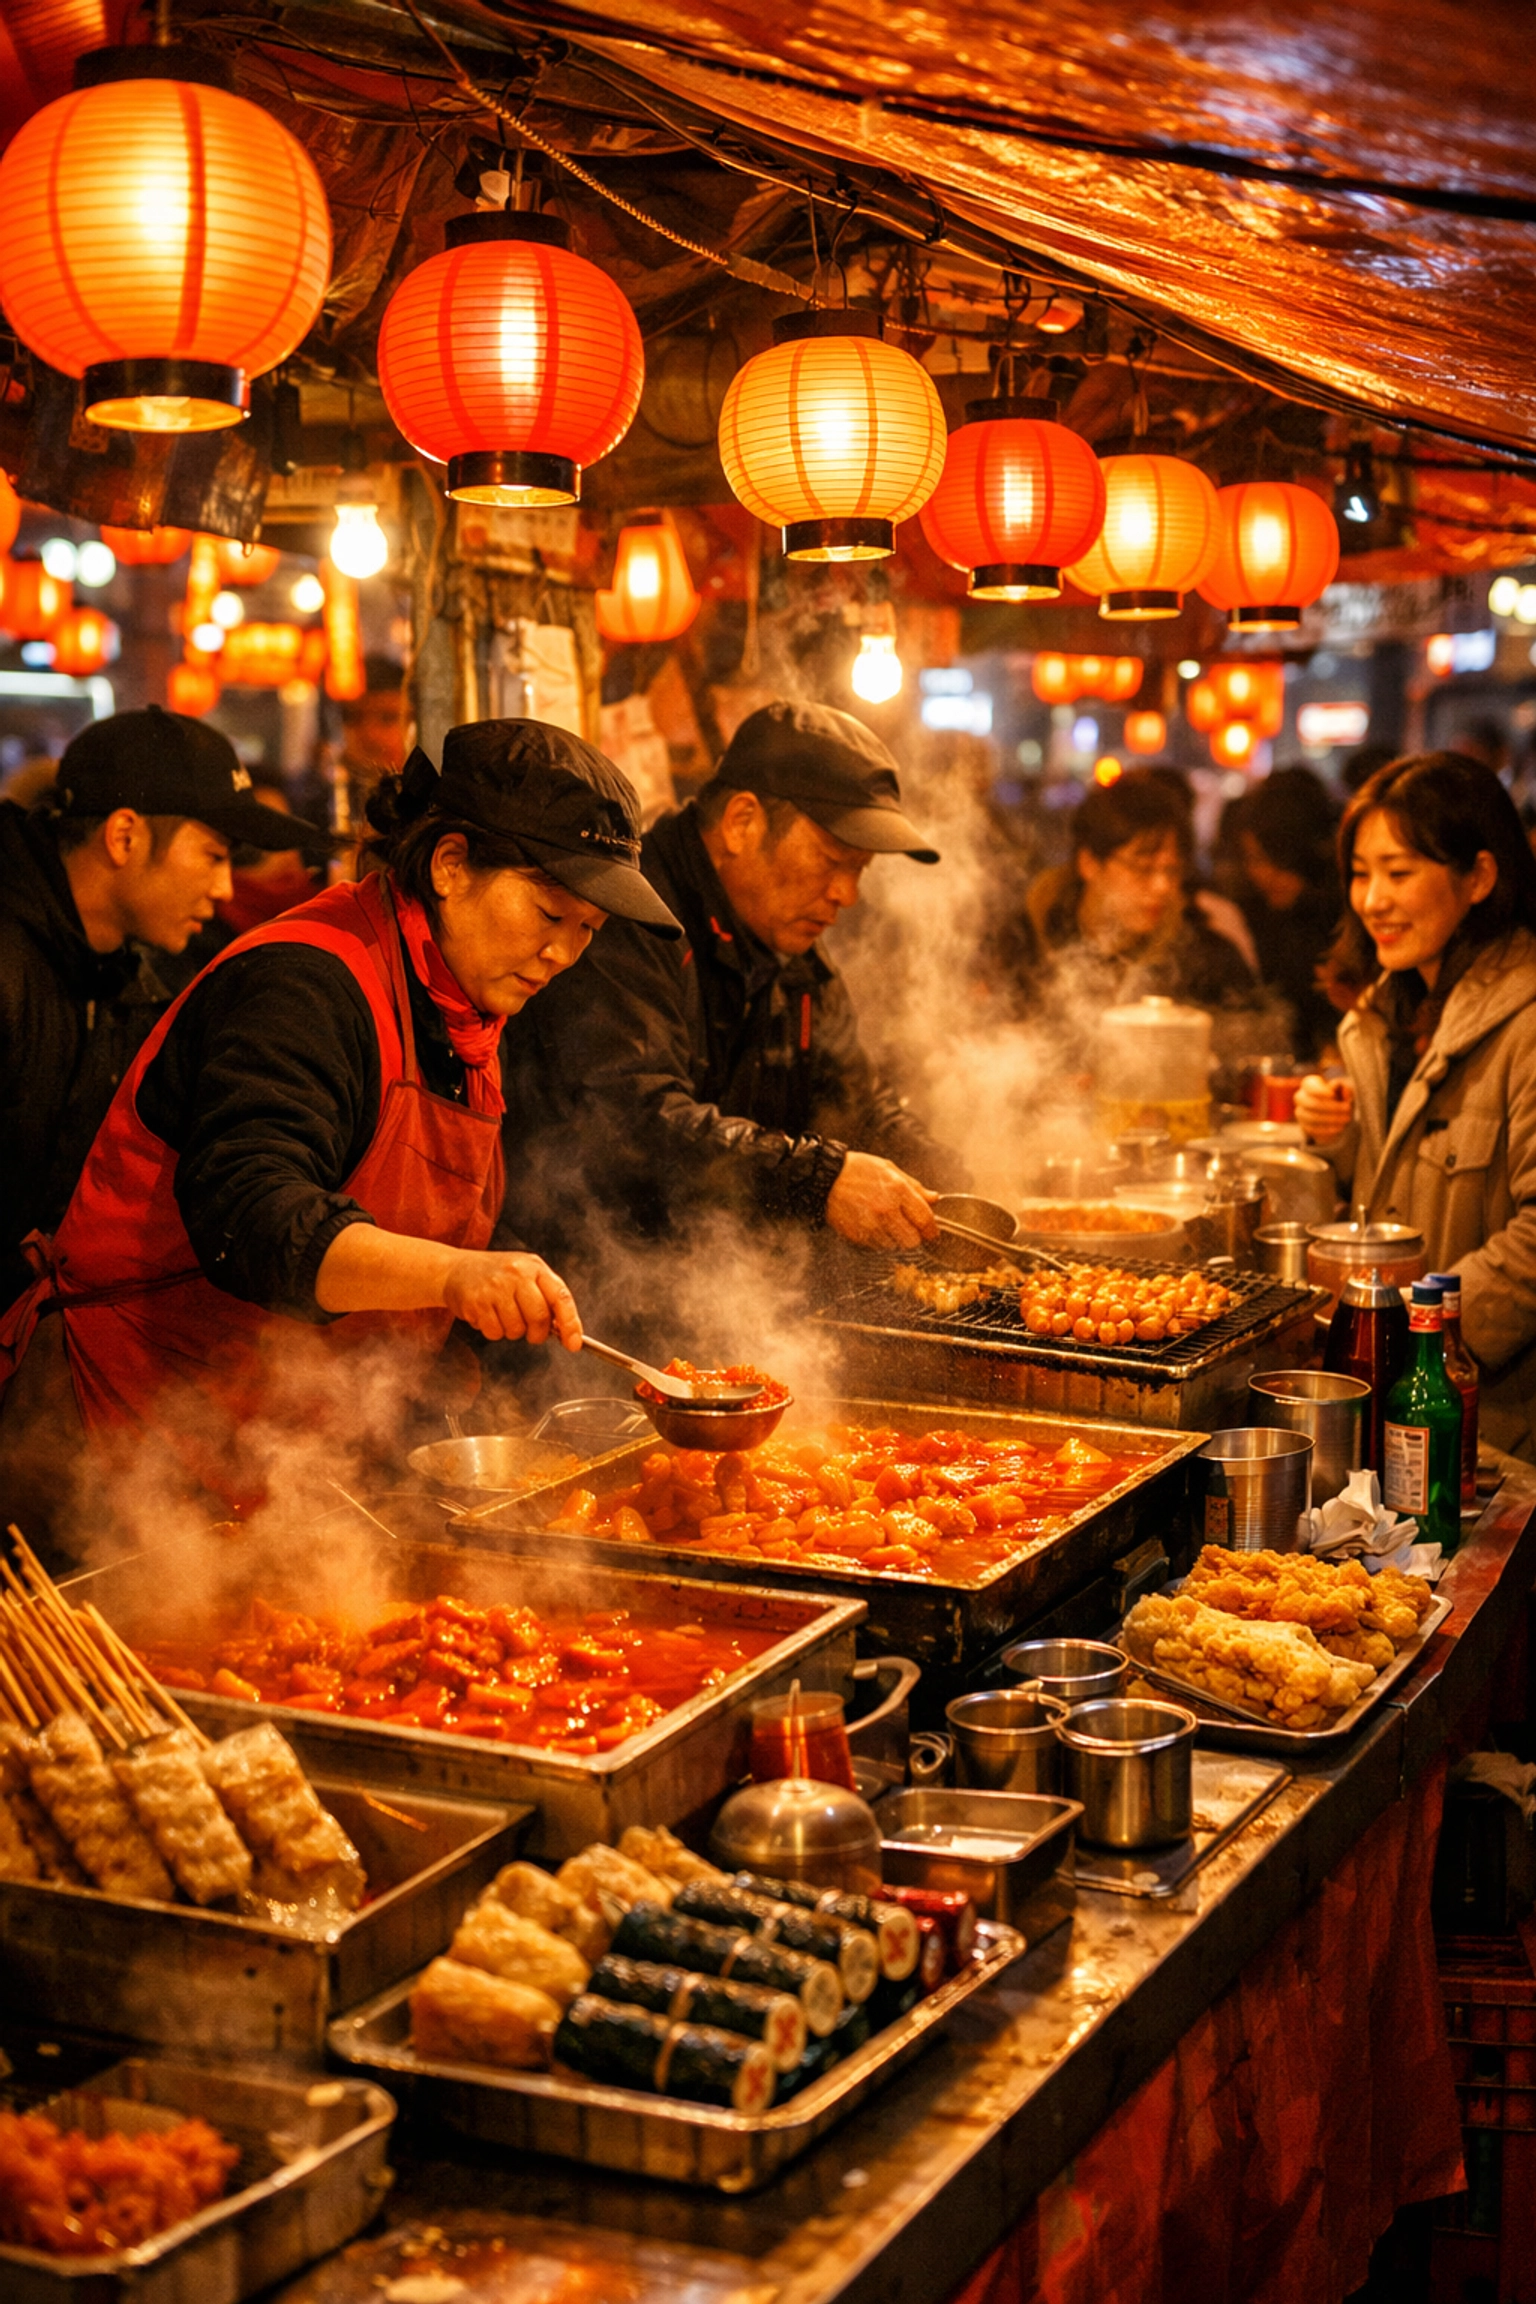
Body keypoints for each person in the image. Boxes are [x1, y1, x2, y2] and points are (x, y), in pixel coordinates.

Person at [0, 720, 681, 1535]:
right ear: (451, 865)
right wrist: (456, 1275)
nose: (561, 954)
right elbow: (251, 1215)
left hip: (278, 1460)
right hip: (120, 1451)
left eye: (587, 932)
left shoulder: (463, 1009)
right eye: (547, 913)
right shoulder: (307, 981)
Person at [501, 700, 958, 1315]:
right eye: (831, 861)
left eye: (860, 871)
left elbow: (853, 1099)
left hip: (725, 1297)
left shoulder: (792, 949)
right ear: (742, 822)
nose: (846, 894)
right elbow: (631, 1120)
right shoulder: (629, 917)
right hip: (585, 1300)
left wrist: (944, 1180)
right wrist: (816, 1179)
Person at [0, 707, 304, 1309]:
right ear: (124, 837)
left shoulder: (128, 972)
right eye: (214, 856)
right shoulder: (10, 965)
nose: (224, 890)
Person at [1295, 752, 1536, 1457]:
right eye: (1362, 873)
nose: (1372, 900)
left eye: (1399, 872)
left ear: (1480, 879)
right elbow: (1391, 1192)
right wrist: (1337, 1137)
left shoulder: (1524, 1021)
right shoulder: (1383, 1016)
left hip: (1492, 1427)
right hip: (1396, 1402)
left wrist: (1416, 1334)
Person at [1022, 771, 1258, 1010]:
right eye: (1143, 869)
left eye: (1172, 871)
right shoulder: (1025, 943)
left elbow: (1260, 1032)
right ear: (1089, 863)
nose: (1162, 886)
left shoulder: (1205, 960)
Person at [1233, 766, 1343, 1061]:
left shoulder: (1345, 917)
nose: (1264, 874)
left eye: (1277, 858)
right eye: (1254, 859)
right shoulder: (1251, 916)